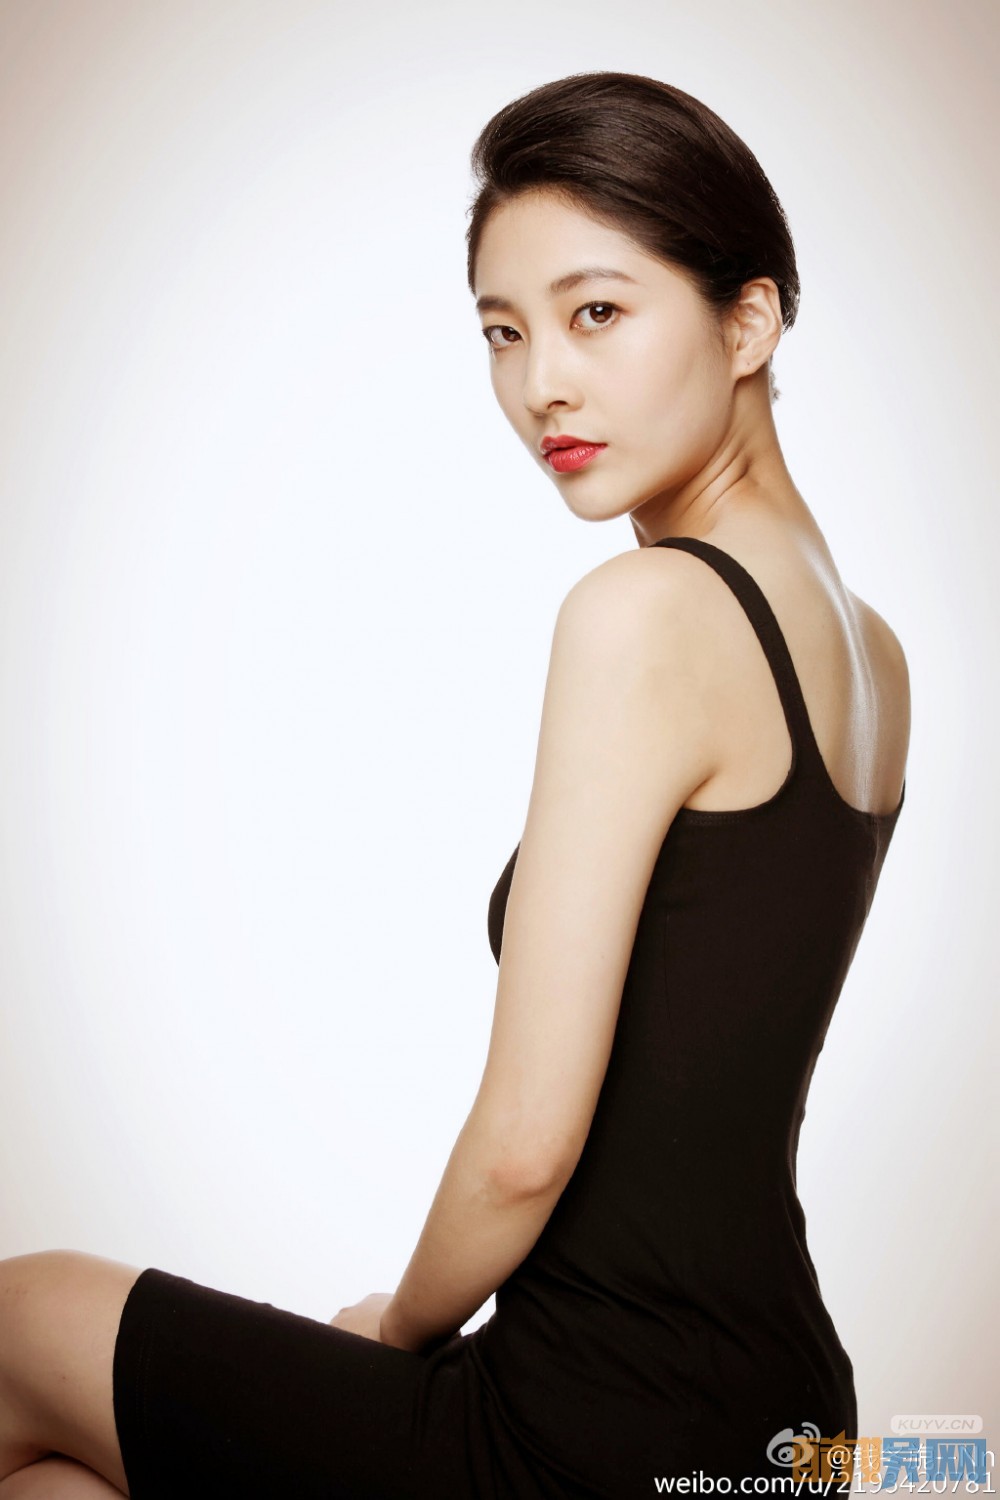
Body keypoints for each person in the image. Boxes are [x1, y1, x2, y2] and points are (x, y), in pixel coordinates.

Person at [0, 70, 909, 1500]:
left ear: (750, 320)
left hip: (599, 1425)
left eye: (595, 312)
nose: (542, 383)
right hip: (790, 1426)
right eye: (504, 330)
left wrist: (395, 1333)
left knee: (19, 1321)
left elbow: (525, 1149)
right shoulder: (873, 653)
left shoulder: (648, 615)